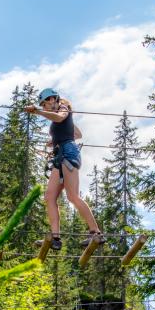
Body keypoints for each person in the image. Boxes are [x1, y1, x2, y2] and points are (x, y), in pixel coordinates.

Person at [25, 88, 106, 250]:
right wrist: (55, 140)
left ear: (52, 99)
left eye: (45, 104)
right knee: (49, 197)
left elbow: (61, 118)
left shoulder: (63, 107)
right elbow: (77, 133)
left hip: (68, 153)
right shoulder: (59, 114)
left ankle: (96, 232)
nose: (44, 107)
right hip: (60, 154)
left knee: (72, 196)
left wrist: (38, 112)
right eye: (42, 105)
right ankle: (55, 238)